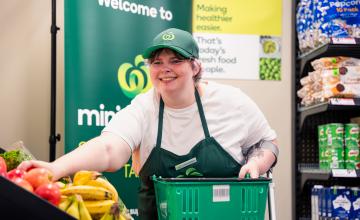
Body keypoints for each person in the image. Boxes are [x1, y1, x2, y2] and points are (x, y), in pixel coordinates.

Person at [19, 28, 279, 219]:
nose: (165, 68)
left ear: (195, 66)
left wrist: (257, 162)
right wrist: (54, 169)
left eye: (176, 60)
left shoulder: (231, 102)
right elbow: (109, 148)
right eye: (157, 62)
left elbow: (268, 142)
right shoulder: (144, 109)